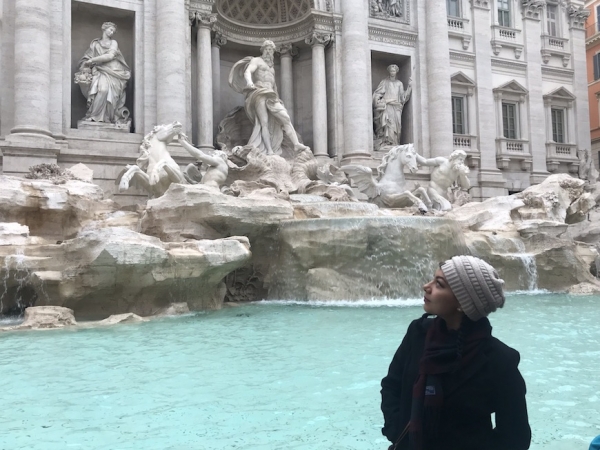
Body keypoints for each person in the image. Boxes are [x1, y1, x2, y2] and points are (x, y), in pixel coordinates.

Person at [381, 255, 531, 450]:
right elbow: (391, 385)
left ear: (463, 302)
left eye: (439, 284)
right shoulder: (418, 333)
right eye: (432, 280)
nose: (427, 287)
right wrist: (397, 430)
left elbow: (515, 437)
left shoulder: (500, 361)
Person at [228, 40, 308, 156]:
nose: (268, 51)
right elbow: (248, 71)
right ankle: (269, 150)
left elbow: (273, 84)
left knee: (285, 117)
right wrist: (249, 82)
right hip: (259, 92)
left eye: (270, 49)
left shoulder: (272, 68)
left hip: (271, 95)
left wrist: (277, 97)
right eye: (266, 49)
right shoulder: (256, 61)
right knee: (263, 122)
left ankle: (296, 144)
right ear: (263, 50)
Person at [76, 22, 131, 125]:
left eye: (113, 31)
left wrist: (92, 60)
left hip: (114, 72)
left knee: (110, 94)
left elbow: (110, 56)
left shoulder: (113, 42)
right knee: (102, 90)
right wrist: (85, 63)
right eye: (110, 30)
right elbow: (85, 59)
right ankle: (94, 116)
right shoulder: (95, 44)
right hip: (100, 71)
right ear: (104, 29)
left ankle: (108, 118)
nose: (112, 32)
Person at [373, 64, 412, 148]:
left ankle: (395, 143)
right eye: (391, 71)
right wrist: (378, 101)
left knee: (396, 127)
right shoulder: (384, 82)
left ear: (396, 72)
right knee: (389, 125)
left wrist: (409, 87)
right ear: (389, 72)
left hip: (397, 107)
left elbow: (403, 97)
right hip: (387, 106)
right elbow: (377, 94)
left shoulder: (399, 84)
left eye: (394, 71)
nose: (392, 72)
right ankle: (387, 142)